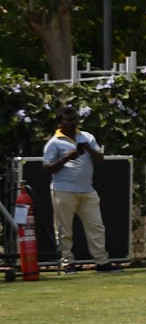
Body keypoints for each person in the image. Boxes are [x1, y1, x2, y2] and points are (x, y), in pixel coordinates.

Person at [43, 106, 106, 270]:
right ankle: (67, 263)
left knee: (96, 227)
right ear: (60, 124)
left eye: (74, 120)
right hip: (63, 190)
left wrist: (89, 150)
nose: (72, 123)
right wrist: (67, 158)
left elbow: (100, 159)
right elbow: (48, 167)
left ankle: (102, 262)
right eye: (68, 120)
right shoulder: (54, 142)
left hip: (87, 190)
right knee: (64, 229)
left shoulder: (86, 137)